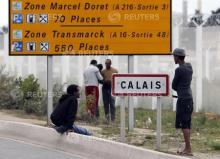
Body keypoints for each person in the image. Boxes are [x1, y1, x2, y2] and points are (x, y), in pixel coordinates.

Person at [172, 48, 194, 156]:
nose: (173, 58)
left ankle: (188, 148)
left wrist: (179, 89)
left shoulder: (179, 70)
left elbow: (173, 85)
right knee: (187, 123)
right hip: (189, 98)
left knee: (184, 124)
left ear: (177, 57)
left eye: (174, 56)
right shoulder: (189, 67)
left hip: (183, 99)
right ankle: (187, 146)